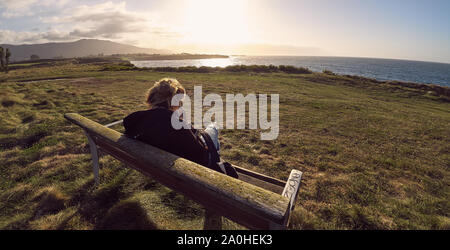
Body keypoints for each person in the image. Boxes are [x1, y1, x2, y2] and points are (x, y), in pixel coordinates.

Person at [123, 78, 237, 178]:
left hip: (155, 163)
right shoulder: (176, 123)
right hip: (187, 168)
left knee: (204, 130)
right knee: (213, 127)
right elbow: (199, 155)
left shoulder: (136, 120)